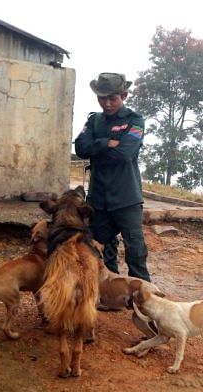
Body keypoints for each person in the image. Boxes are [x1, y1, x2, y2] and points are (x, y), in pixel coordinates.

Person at [74, 73, 151, 282]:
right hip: (98, 198)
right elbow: (80, 147)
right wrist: (106, 143)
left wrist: (96, 149)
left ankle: (143, 299)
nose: (107, 104)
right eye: (102, 98)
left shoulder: (135, 121)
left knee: (135, 250)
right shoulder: (94, 121)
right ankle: (111, 295)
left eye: (112, 99)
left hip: (127, 198)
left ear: (124, 95)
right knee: (101, 250)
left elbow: (124, 154)